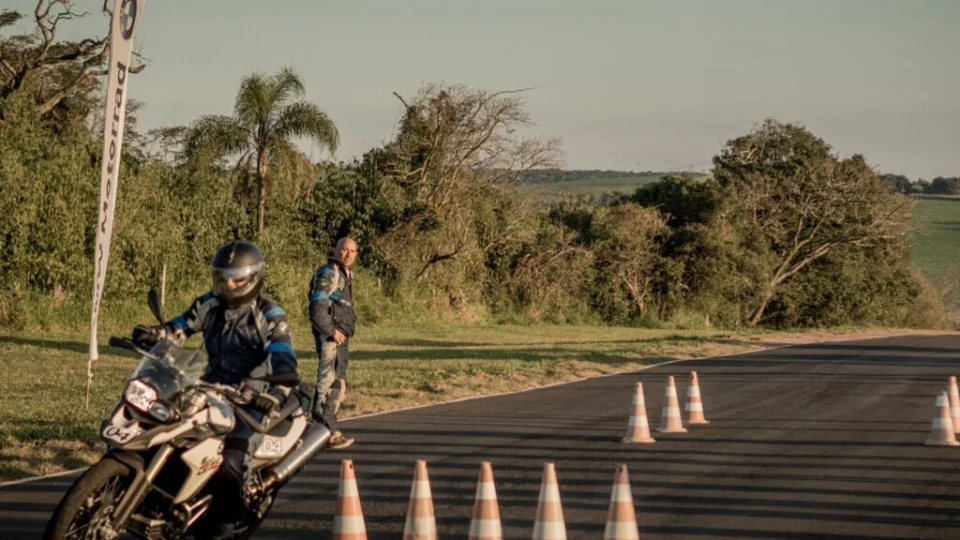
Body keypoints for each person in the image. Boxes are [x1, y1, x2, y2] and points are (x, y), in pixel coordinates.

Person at [131, 240, 299, 539]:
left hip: (250, 395)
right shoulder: (209, 303)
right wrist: (157, 333)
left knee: (232, 459)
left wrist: (277, 390)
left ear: (254, 278)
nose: (228, 283)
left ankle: (228, 523)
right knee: (165, 427)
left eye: (236, 278)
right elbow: (180, 326)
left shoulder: (270, 314)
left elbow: (283, 353)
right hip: (209, 383)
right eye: (222, 276)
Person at [308, 236, 357, 450]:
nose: (347, 254)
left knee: (338, 384)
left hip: (340, 339)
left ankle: (324, 429)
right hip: (331, 339)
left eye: (352, 251)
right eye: (344, 249)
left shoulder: (346, 275)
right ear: (336, 251)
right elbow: (317, 308)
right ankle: (325, 432)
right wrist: (331, 332)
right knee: (328, 385)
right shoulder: (329, 273)